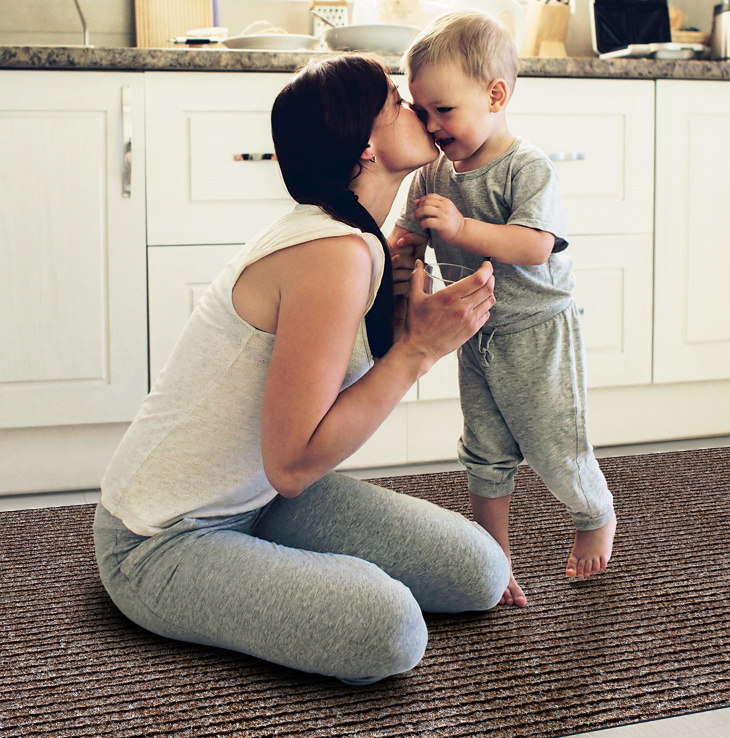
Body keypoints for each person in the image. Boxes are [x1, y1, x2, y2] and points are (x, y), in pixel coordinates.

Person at [92, 53, 509, 686]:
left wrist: (399, 322)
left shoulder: (356, 239)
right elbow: (294, 463)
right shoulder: (330, 253)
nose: (416, 105)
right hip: (160, 537)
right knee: (391, 630)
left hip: (259, 498)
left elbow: (296, 451)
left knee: (482, 570)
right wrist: (417, 350)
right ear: (366, 145)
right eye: (396, 101)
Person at [389, 10, 616, 608]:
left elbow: (536, 246)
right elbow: (409, 234)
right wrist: (402, 249)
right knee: (484, 449)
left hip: (539, 330)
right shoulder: (431, 174)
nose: (432, 126)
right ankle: (495, 556)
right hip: (477, 332)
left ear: (495, 94)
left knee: (552, 442)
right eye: (422, 112)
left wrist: (463, 226)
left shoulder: (526, 166)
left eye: (444, 110)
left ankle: (594, 512)